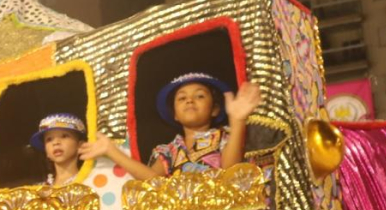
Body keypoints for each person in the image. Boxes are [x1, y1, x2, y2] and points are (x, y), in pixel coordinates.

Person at [85, 72, 262, 180]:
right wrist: (112, 151)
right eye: (182, 98)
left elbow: (230, 171)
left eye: (200, 96)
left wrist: (237, 121)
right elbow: (152, 180)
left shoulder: (225, 137)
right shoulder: (169, 150)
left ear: (215, 109)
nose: (190, 100)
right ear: (175, 114)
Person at [28, 113, 88, 186]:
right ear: (46, 152)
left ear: (80, 145)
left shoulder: (90, 183)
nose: (55, 143)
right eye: (49, 139)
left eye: (64, 136)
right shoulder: (39, 190)